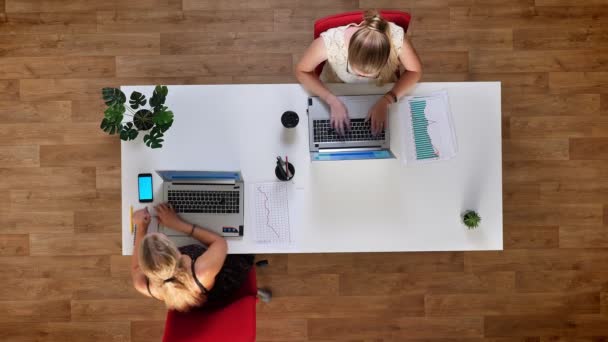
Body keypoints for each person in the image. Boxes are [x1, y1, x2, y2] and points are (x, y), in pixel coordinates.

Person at [295, 9, 423, 136]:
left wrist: (388, 99)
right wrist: (331, 100)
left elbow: (415, 71)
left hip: (381, 90)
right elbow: (302, 71)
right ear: (350, 53)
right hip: (337, 87)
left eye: (371, 74)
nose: (362, 78)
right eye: (359, 73)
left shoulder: (397, 39)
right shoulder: (331, 43)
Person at [130, 205, 259, 312]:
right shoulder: (201, 272)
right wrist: (177, 224)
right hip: (223, 275)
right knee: (244, 237)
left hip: (192, 297)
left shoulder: (142, 284)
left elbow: (135, 267)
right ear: (176, 252)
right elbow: (219, 242)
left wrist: (141, 227)